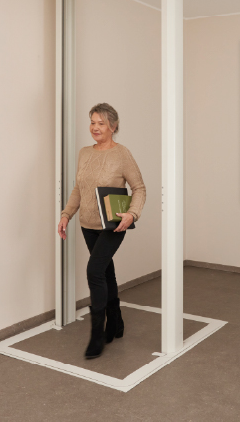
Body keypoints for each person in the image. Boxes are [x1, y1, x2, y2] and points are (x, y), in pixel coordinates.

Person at [57, 103, 146, 359]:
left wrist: (132, 213)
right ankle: (116, 321)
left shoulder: (122, 154)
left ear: (113, 127)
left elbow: (139, 188)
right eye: (93, 122)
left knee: (94, 271)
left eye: (101, 124)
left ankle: (97, 335)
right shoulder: (84, 153)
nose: (95, 128)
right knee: (106, 272)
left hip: (113, 225)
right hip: (87, 225)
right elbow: (79, 188)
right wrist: (66, 215)